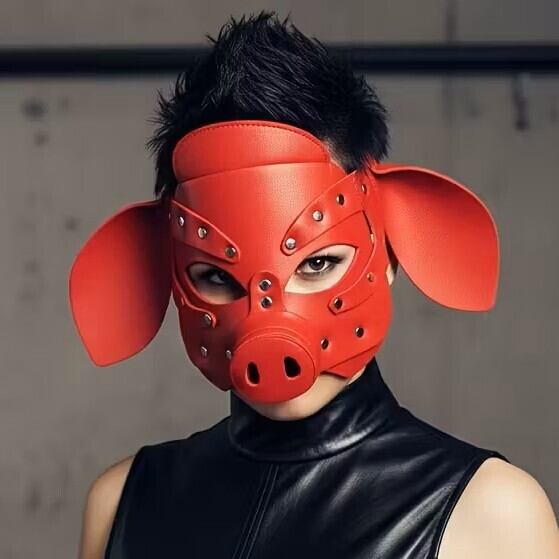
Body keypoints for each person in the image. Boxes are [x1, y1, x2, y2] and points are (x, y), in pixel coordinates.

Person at [73, 11, 559, 559]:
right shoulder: (123, 501)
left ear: (391, 249)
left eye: (318, 263)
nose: (268, 318)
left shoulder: (490, 514)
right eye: (216, 276)